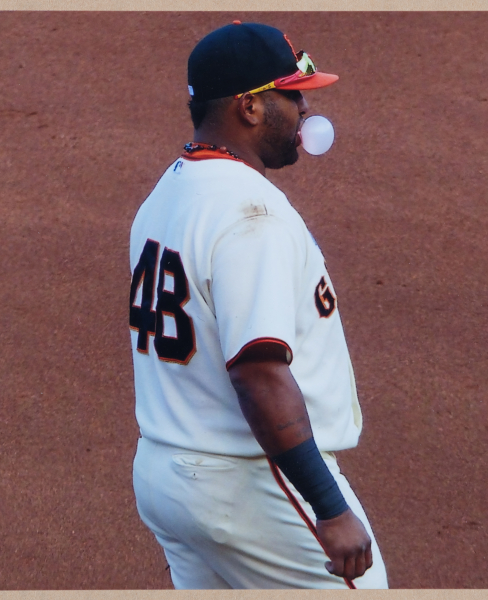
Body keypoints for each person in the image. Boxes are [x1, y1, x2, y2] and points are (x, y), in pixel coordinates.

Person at [128, 21, 388, 590]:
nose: (303, 114)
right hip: (247, 485)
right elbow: (259, 374)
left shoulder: (168, 193)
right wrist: (328, 505)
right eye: (292, 96)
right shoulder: (252, 214)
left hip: (167, 474)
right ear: (249, 107)